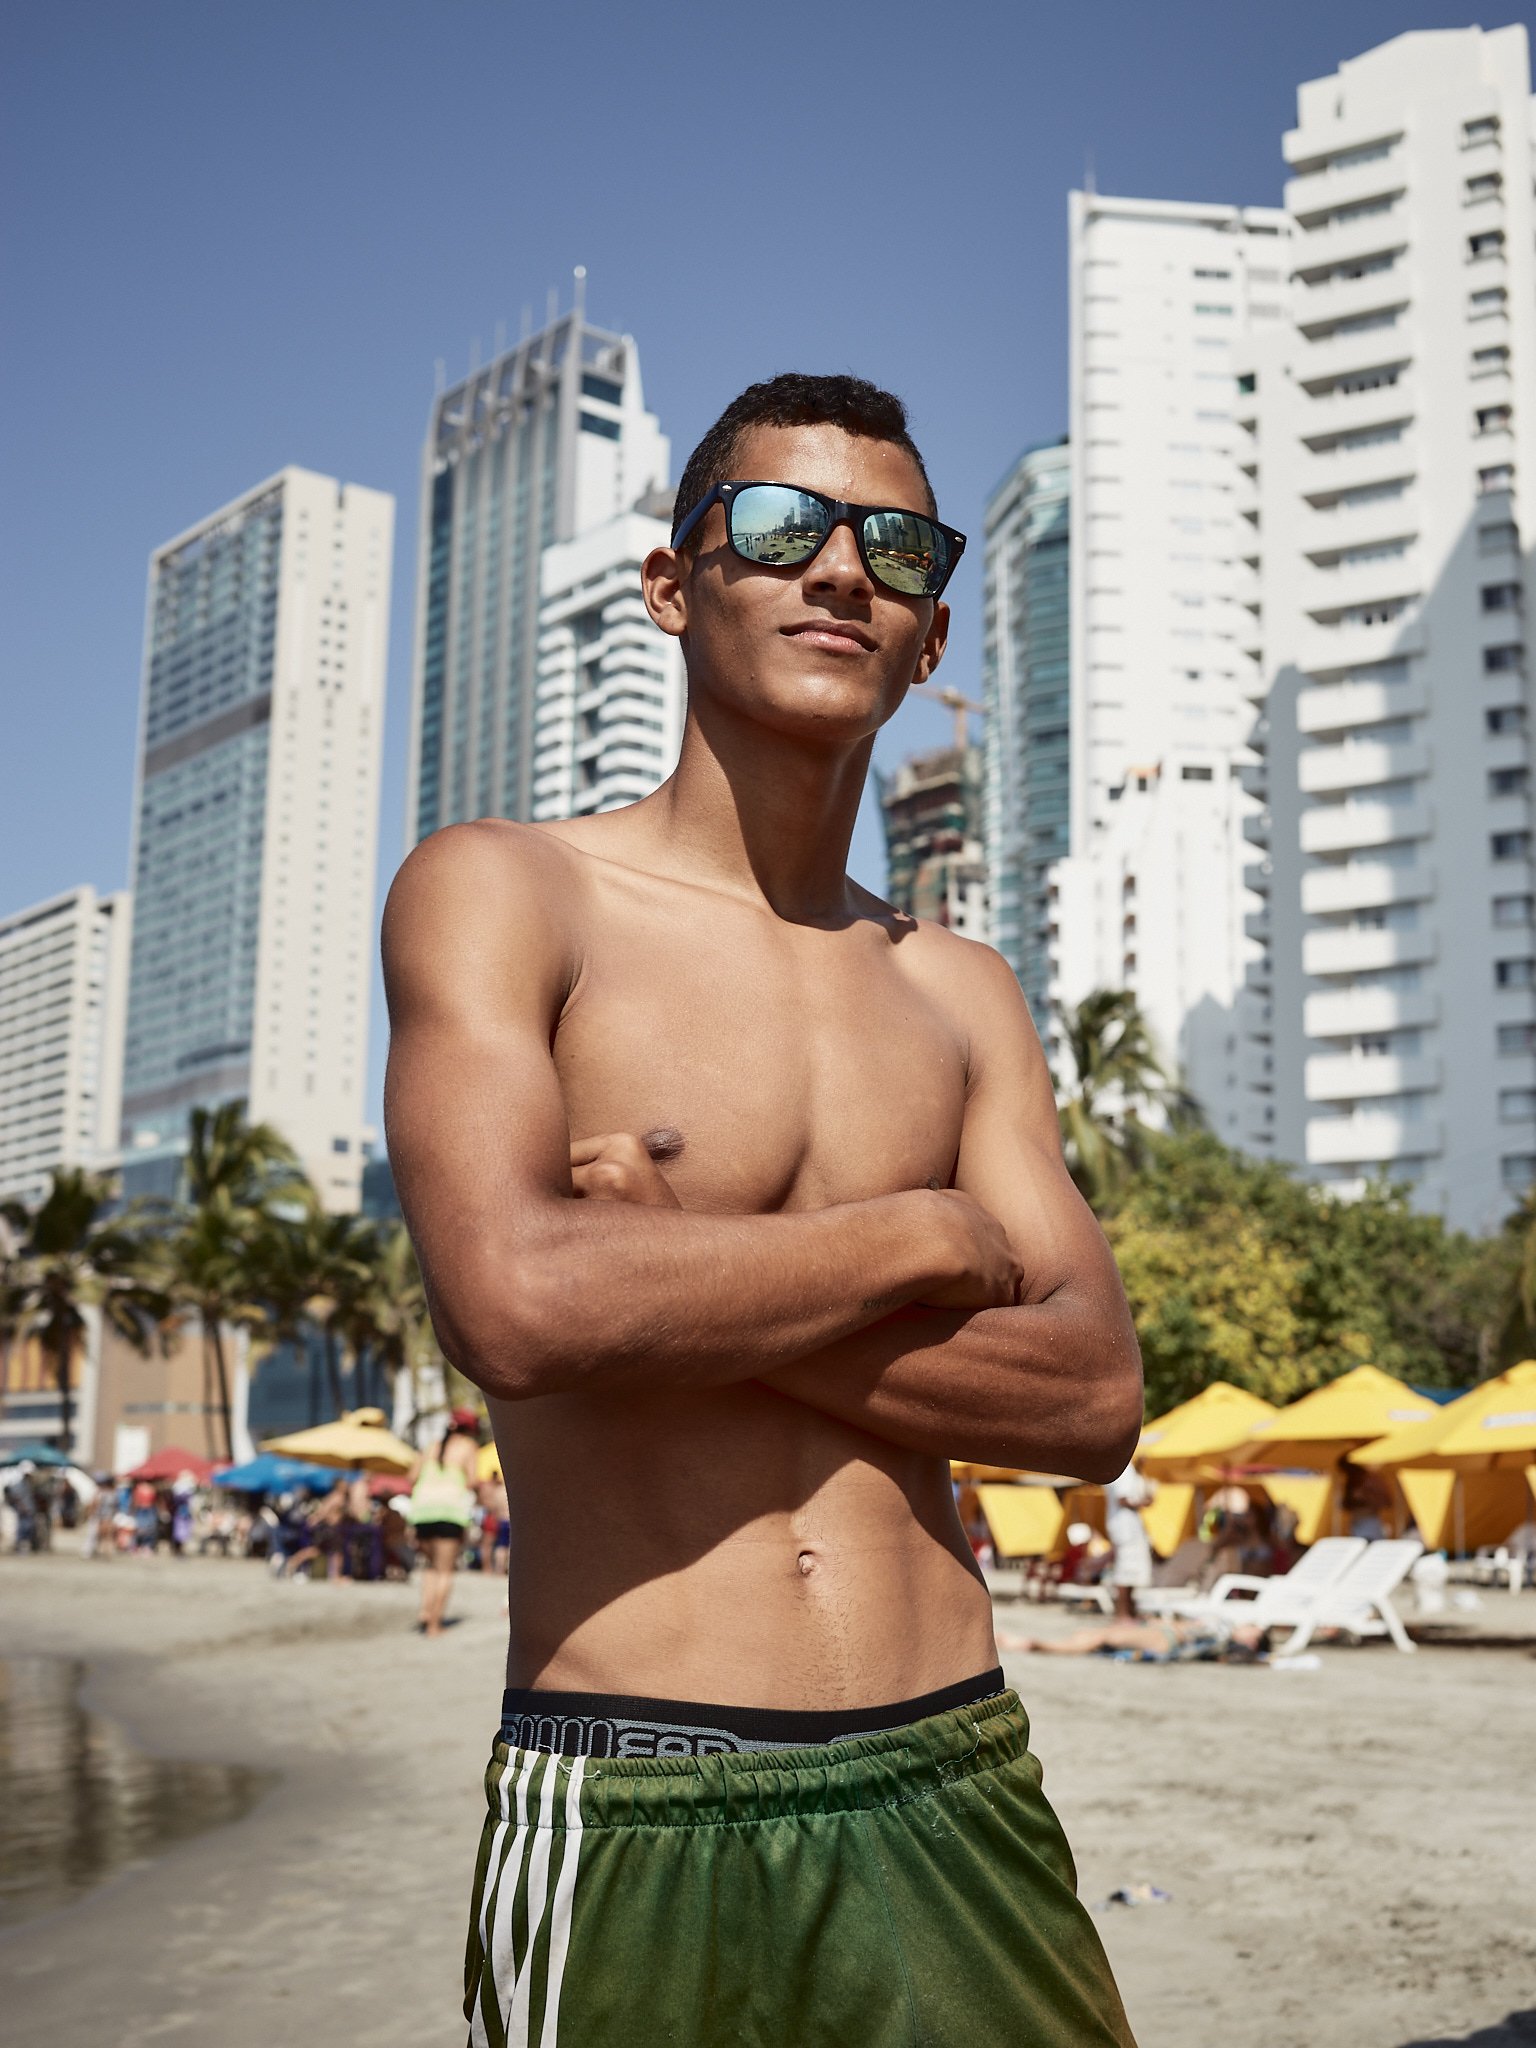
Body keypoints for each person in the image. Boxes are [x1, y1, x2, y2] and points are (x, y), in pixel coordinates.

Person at [384, 373, 1143, 2046]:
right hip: (633, 1794)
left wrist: (661, 1288)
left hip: (954, 1770)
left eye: (892, 542)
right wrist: (920, 1242)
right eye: (783, 526)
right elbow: (513, 1302)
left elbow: (1090, 1395)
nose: (840, 569)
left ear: (933, 629)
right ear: (674, 585)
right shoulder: (508, 891)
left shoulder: (960, 990)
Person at [403, 1410, 479, 1635]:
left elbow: (411, 1478)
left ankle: (425, 1612)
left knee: (430, 1567)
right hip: (449, 1510)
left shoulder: (431, 1446)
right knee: (445, 1570)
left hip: (422, 1510)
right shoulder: (468, 1447)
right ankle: (434, 1624)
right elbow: (472, 1480)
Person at [1102, 1463, 1155, 1619]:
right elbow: (1123, 1499)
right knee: (1126, 1571)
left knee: (1130, 1571)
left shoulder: (1119, 1466)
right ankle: (1123, 1614)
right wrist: (1145, 1502)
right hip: (1126, 1527)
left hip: (1123, 1526)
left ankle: (1128, 1612)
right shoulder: (1125, 1466)